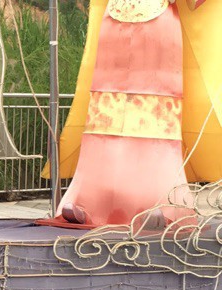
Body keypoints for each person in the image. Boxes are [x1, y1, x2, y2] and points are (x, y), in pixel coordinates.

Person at [41, 0, 220, 229]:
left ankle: (161, 205)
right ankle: (88, 203)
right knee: (104, 116)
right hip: (114, 22)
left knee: (154, 116)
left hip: (158, 22)